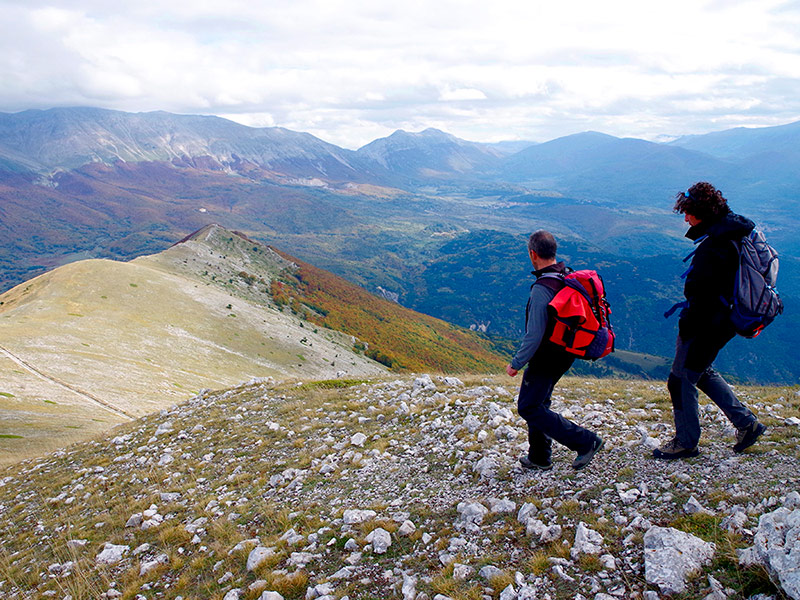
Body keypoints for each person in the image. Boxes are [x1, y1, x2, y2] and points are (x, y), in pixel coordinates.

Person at [655, 182, 767, 459]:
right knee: (700, 370)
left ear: (703, 212)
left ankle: (686, 441)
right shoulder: (734, 232)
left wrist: (687, 326)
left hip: (707, 323)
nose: (685, 218)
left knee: (679, 379)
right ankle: (746, 424)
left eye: (689, 212)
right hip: (727, 320)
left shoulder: (716, 245)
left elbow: (703, 295)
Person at [506, 230, 604, 471]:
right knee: (539, 402)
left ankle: (585, 440)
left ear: (533, 254)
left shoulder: (542, 287)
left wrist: (516, 363)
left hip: (546, 356)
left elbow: (534, 334)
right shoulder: (565, 275)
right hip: (565, 352)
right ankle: (539, 457)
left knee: (528, 407)